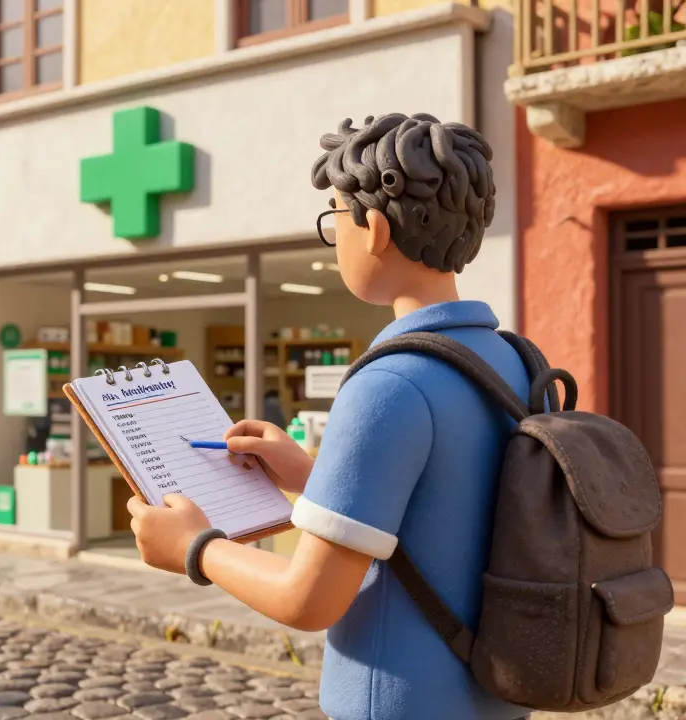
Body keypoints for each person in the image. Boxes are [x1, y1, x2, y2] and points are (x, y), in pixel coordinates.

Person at [126, 114, 531, 719]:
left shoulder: (389, 382)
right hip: (498, 690)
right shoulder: (517, 358)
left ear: (371, 228)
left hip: (395, 699)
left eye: (334, 218)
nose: (334, 235)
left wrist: (193, 546)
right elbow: (443, 509)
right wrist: (306, 471)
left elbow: (309, 600)